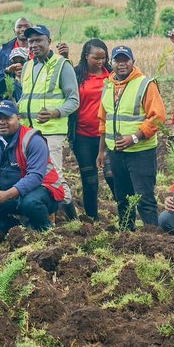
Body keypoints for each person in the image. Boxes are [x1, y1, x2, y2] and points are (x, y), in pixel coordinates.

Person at [0, 100, 68, 234]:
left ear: (18, 118)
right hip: (9, 195)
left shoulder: (32, 140)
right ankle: (14, 229)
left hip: (42, 192)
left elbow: (35, 176)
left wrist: (6, 195)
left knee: (31, 202)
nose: (2, 122)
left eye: (7, 118)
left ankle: (44, 231)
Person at [97, 45, 166, 229]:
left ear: (132, 62)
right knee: (122, 198)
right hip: (116, 152)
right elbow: (103, 120)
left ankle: (153, 235)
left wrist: (134, 138)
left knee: (144, 198)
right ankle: (126, 233)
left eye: (125, 60)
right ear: (111, 63)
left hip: (140, 152)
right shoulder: (108, 85)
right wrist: (101, 151)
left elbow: (157, 117)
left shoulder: (145, 84)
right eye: (117, 60)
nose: (121, 64)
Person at [16, 24, 79, 172]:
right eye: (31, 41)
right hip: (28, 132)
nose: (34, 45)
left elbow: (74, 100)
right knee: (31, 174)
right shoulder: (27, 66)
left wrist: (54, 112)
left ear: (49, 41)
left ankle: (63, 197)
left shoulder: (62, 65)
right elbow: (26, 97)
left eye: (39, 40)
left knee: (52, 176)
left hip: (51, 133)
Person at [70, 39, 110, 219]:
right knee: (90, 180)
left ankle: (127, 215)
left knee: (112, 176)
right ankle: (91, 218)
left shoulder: (112, 75)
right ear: (86, 56)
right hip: (82, 136)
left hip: (109, 135)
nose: (100, 62)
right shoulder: (76, 75)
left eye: (103, 58)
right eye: (96, 58)